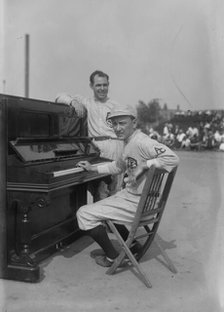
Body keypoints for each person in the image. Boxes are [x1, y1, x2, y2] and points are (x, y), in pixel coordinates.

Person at [76, 105, 179, 267]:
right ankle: (131, 245)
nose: (117, 128)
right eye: (114, 124)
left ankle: (112, 257)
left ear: (134, 122)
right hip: (141, 203)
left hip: (138, 206)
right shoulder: (130, 142)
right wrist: (92, 168)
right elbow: (117, 167)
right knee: (107, 202)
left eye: (122, 123)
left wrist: (146, 165)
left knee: (83, 213)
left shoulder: (142, 142)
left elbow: (173, 158)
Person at [55, 70, 124, 200]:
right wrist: (73, 103)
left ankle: (112, 220)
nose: (102, 88)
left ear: (108, 85)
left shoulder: (117, 106)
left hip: (116, 146)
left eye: (105, 85)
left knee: (116, 191)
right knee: (100, 191)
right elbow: (59, 96)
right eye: (98, 85)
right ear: (91, 86)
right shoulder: (86, 102)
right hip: (98, 149)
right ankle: (100, 219)